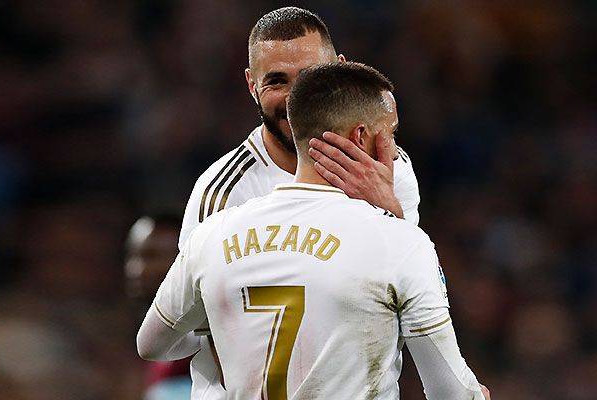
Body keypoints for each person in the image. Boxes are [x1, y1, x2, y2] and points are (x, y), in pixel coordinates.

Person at [139, 62, 489, 400]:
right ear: (360, 137)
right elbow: (450, 391)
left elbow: (151, 344)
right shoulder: (400, 242)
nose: (393, 149)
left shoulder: (214, 233)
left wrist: (231, 319)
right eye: (390, 133)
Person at [174, 7, 422, 398]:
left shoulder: (389, 167)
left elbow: (410, 303)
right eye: (277, 81)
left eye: (310, 77)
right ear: (251, 85)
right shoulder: (222, 195)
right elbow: (192, 330)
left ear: (340, 71)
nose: (295, 99)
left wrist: (388, 212)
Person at [125, 214, 192, 400]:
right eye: (132, 255)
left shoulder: (206, 340)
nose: (136, 270)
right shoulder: (155, 337)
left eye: (152, 256)